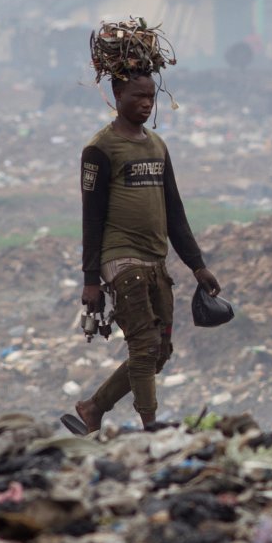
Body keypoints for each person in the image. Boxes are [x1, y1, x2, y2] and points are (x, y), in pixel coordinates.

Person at [62, 72, 221, 435]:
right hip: (121, 259)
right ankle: (151, 427)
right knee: (144, 344)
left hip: (155, 260)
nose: (147, 104)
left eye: (151, 97)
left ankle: (93, 408)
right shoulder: (100, 149)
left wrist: (198, 266)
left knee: (159, 351)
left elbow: (175, 212)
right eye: (138, 96)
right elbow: (92, 217)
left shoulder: (156, 146)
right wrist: (90, 280)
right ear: (117, 94)